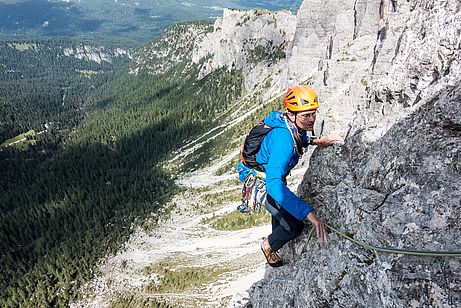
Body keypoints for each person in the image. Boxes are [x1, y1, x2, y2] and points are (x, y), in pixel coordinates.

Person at [241, 85, 344, 267]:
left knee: (282, 214)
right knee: (295, 226)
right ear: (291, 114)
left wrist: (317, 140)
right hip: (263, 182)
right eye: (306, 115)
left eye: (313, 113)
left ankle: (276, 238)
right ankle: (268, 245)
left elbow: (299, 136)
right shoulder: (284, 140)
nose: (311, 119)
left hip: (267, 175)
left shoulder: (289, 125)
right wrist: (310, 215)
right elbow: (274, 186)